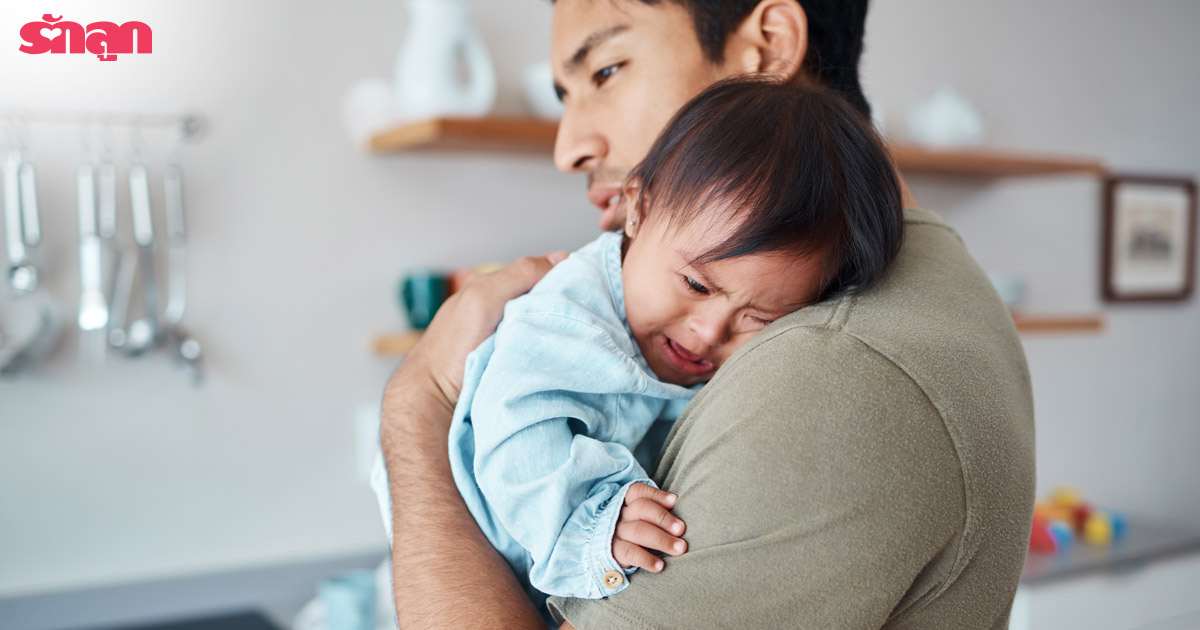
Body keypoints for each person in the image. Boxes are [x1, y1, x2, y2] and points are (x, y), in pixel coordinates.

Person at [378, 0, 1036, 628]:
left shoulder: (835, 365)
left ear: (768, 46)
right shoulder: (931, 294)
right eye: (563, 94)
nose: (568, 147)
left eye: (605, 71)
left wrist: (418, 405)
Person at [373, 77, 903, 621]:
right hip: (471, 543)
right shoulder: (567, 320)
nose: (709, 332)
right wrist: (597, 519)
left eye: (760, 319)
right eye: (696, 286)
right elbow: (518, 437)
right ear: (638, 209)